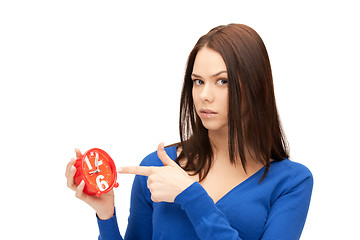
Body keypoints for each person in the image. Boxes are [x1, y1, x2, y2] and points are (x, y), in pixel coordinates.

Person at [65, 23, 313, 240]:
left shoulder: (291, 182)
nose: (204, 96)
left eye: (222, 81)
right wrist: (106, 215)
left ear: (255, 86)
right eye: (198, 81)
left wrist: (191, 196)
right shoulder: (157, 168)